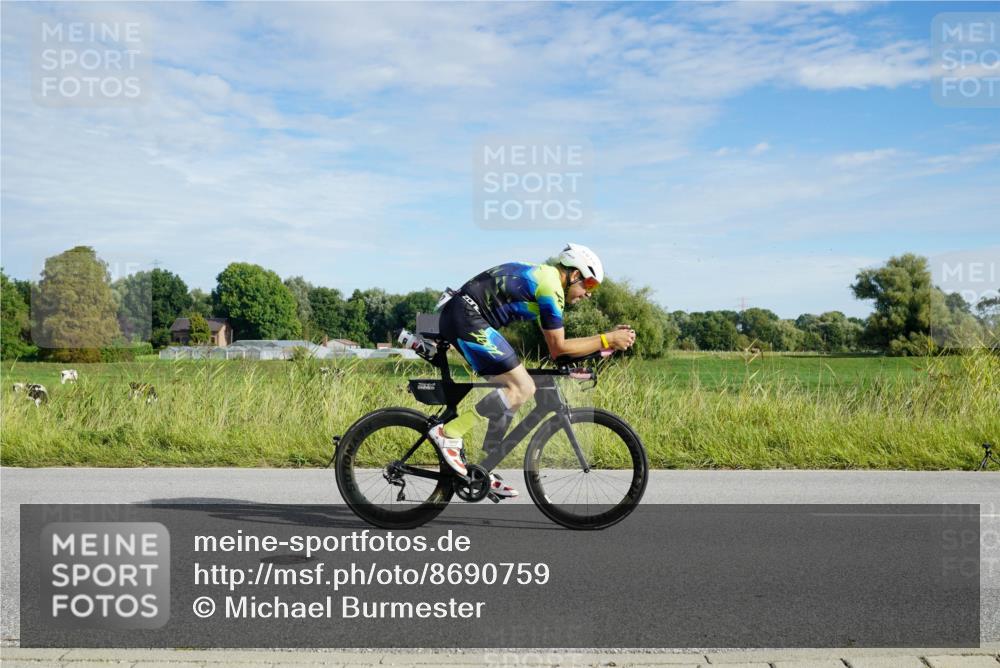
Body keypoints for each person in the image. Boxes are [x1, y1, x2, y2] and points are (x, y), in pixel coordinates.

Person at [428, 243, 636, 499]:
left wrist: (603, 345)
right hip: (467, 317)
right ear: (574, 274)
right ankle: (450, 432)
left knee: (511, 392)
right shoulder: (551, 288)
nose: (589, 294)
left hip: (464, 315)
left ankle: (484, 466)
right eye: (589, 285)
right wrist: (607, 340)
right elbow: (558, 348)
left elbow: (558, 349)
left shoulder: (546, 279)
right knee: (523, 387)